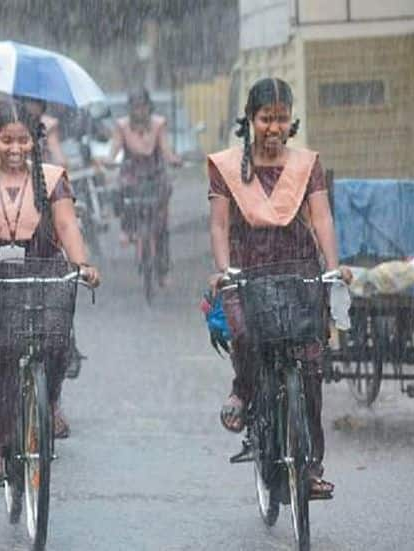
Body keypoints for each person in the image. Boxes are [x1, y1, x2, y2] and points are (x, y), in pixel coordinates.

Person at [207, 77, 352, 498]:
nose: (274, 126)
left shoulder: (308, 164)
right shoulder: (227, 166)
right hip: (247, 269)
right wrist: (222, 269)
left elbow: (321, 217)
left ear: (292, 122)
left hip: (297, 268)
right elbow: (219, 224)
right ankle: (244, 389)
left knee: (309, 368)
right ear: (250, 120)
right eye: (266, 118)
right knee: (248, 335)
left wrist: (334, 266)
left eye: (282, 118)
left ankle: (310, 468)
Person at [0, 100, 100, 480]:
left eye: (22, 140)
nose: (15, 149)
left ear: (33, 141)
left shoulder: (53, 180)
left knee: (56, 345)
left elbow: (68, 226)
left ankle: (48, 403)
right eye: (6, 140)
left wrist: (83, 264)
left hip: (43, 277)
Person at [104, 87, 182, 286]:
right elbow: (114, 149)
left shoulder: (158, 124)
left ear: (149, 107)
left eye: (143, 107)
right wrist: (109, 160)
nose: (139, 111)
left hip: (154, 174)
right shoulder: (121, 126)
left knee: (162, 226)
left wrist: (173, 159)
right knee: (118, 192)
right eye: (135, 107)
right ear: (130, 109)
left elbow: (165, 149)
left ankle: (163, 271)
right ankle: (127, 228)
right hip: (131, 173)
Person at [18, 96, 67, 167]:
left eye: (36, 102)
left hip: (44, 168)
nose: (32, 106)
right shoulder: (17, 126)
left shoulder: (48, 124)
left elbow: (58, 155)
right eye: (30, 102)